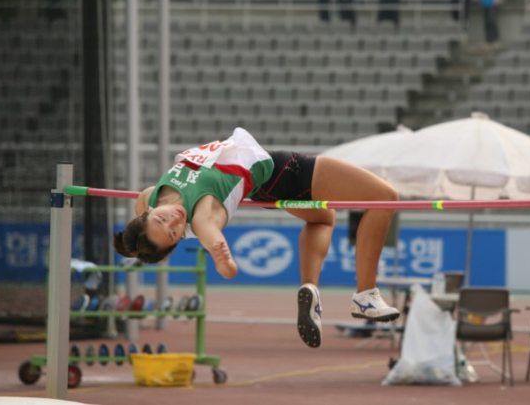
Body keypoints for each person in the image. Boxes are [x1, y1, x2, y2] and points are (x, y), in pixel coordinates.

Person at [113, 128, 400, 349]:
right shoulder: (203, 219)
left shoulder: (149, 197)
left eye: (161, 219)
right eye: (174, 232)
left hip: (263, 187)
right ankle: (365, 295)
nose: (174, 218)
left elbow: (144, 219)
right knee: (385, 196)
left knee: (324, 218)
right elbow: (226, 266)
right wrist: (221, 256)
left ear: (146, 213)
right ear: (178, 240)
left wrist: (136, 249)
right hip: (285, 171)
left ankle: (310, 287)